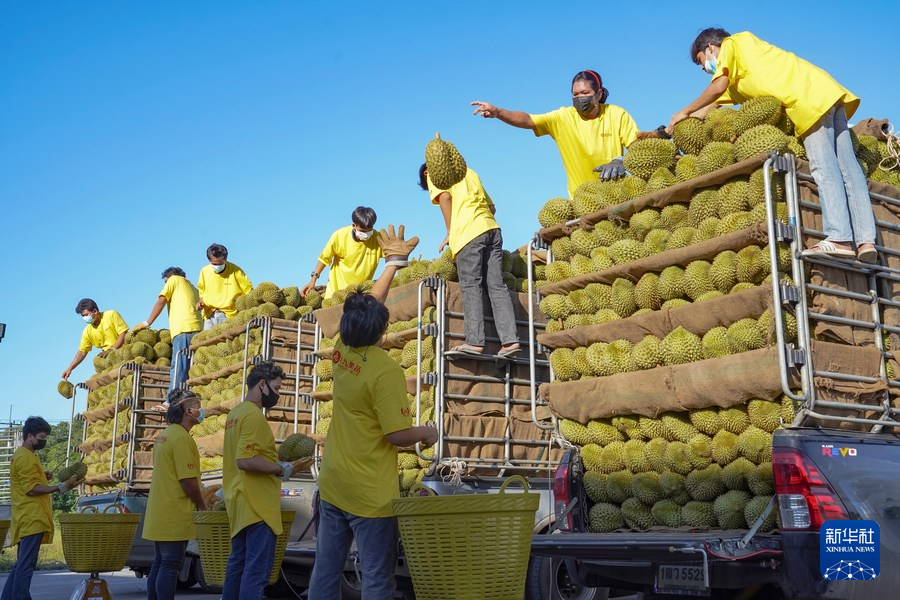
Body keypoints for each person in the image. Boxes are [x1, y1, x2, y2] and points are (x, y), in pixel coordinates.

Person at [667, 28, 878, 263]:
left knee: (823, 166)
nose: (706, 69)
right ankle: (865, 241)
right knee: (849, 169)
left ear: (709, 49)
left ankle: (839, 238)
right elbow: (713, 103)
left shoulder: (734, 43)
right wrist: (680, 121)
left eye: (702, 62)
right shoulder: (740, 75)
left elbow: (717, 86)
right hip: (825, 91)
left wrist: (683, 110)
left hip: (807, 99)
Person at [307, 224, 439, 600]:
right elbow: (395, 436)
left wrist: (392, 266)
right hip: (369, 495)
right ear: (382, 330)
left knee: (326, 571)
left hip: (333, 484)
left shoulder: (340, 349)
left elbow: (369, 309)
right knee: (378, 578)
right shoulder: (385, 370)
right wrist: (427, 431)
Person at [472, 70, 640, 198]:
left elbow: (638, 148)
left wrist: (621, 161)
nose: (580, 98)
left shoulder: (616, 114)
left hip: (617, 193)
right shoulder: (563, 118)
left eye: (585, 93)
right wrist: (498, 112)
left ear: (599, 93)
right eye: (575, 94)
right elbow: (528, 120)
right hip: (581, 200)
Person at [418, 164, 520, 357]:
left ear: (426, 173)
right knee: (497, 285)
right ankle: (510, 341)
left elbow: (445, 197)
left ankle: (474, 342)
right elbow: (492, 207)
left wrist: (451, 232)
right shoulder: (469, 172)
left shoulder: (436, 171)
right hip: (492, 229)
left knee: (471, 285)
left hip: (468, 234)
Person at [221, 360, 294, 600]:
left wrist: (275, 457)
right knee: (256, 571)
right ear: (262, 385)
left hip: (240, 501)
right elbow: (245, 459)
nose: (278, 394)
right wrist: (278, 469)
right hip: (257, 505)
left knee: (238, 566)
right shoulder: (252, 416)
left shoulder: (235, 414)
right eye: (276, 387)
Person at [2, 416, 82, 600]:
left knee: (21, 564)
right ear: (29, 436)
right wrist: (60, 487)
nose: (44, 441)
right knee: (26, 564)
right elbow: (31, 489)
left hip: (28, 517)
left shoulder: (27, 456)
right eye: (41, 437)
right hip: (31, 518)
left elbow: (29, 481)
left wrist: (42, 475)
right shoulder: (25, 458)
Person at [142, 389, 207, 600]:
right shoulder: (181, 438)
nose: (201, 410)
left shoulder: (165, 435)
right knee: (170, 565)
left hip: (160, 511)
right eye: (198, 406)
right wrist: (201, 504)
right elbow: (187, 481)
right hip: (174, 512)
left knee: (160, 563)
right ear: (188, 411)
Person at [131, 267, 203, 395]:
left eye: (165, 282)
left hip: (183, 329)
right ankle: (188, 397)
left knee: (178, 367)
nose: (166, 284)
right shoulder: (193, 288)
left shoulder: (174, 280)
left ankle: (171, 400)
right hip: (198, 329)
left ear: (169, 278)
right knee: (191, 368)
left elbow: (161, 300)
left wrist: (147, 322)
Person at [300, 206, 383, 299]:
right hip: (336, 294)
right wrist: (313, 280)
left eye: (369, 230)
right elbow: (324, 259)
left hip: (360, 295)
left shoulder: (377, 238)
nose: (366, 234)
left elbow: (391, 255)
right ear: (353, 226)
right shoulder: (339, 236)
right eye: (362, 231)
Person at [61, 298, 128, 380]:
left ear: (95, 311)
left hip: (125, 353)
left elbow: (123, 333)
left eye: (86, 315)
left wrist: (113, 349)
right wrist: (70, 368)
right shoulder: (87, 331)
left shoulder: (111, 315)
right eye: (83, 316)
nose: (84, 318)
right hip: (109, 360)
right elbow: (82, 352)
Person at [196, 243, 253, 330]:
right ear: (209, 261)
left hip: (229, 315)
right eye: (214, 264)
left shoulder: (236, 270)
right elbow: (202, 292)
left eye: (220, 263)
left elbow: (249, 290)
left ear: (225, 259)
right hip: (209, 314)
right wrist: (200, 303)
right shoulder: (204, 271)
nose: (217, 266)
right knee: (208, 342)